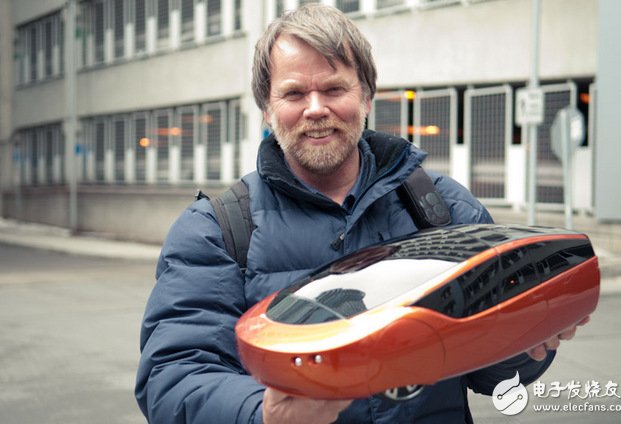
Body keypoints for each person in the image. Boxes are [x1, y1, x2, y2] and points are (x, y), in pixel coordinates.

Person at [135, 4, 588, 423]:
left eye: (334, 88)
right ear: (268, 111)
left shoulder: (446, 209)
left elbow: (489, 375)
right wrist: (263, 415)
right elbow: (172, 377)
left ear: (367, 97)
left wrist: (527, 343)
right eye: (294, 93)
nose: (316, 109)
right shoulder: (215, 230)